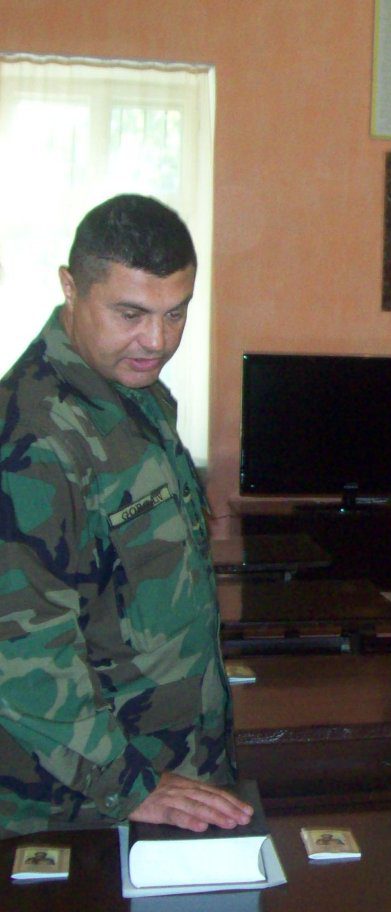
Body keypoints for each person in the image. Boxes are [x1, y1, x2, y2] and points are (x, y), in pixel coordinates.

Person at [0, 195, 252, 839]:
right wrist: (128, 784)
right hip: (79, 802)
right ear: (70, 287)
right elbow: (23, 653)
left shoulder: (135, 394)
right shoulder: (32, 437)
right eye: (131, 314)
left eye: (176, 313)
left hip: (171, 769)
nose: (158, 341)